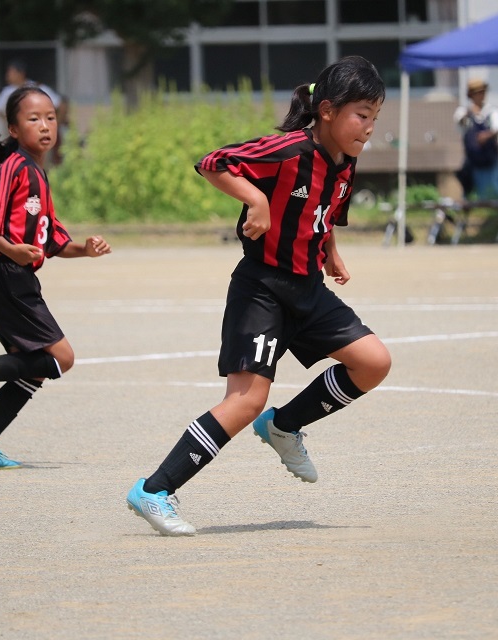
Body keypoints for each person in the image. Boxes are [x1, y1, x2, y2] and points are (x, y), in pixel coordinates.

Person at [125, 56, 393, 536]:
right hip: (263, 290)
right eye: (361, 115)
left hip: (308, 289)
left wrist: (330, 252)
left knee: (373, 363)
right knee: (246, 399)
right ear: (327, 110)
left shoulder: (345, 161)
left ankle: (283, 426)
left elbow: (326, 212)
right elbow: (213, 163)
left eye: (375, 116)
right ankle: (154, 490)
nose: (369, 127)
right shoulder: (289, 149)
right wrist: (256, 198)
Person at [0, 86, 112, 469]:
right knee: (61, 359)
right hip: (5, 276)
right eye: (34, 119)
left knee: (33, 370)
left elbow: (51, 240)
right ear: (14, 129)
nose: (45, 126)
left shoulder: (36, 173)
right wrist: (12, 250)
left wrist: (84, 249)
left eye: (50, 117)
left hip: (15, 277)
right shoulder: (14, 168)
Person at [0, 59, 68, 164]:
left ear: (20, 73)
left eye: (11, 72)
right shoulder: (7, 92)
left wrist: (56, 124)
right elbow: (0, 111)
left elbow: (61, 104)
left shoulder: (36, 88)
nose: (8, 76)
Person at [453, 78, 498, 201]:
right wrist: (469, 114)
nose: (481, 95)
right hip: (473, 160)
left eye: (482, 92)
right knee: (473, 192)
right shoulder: (463, 112)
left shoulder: (491, 111)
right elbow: (459, 124)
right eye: (477, 93)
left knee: (495, 191)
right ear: (471, 95)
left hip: (490, 158)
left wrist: (486, 136)